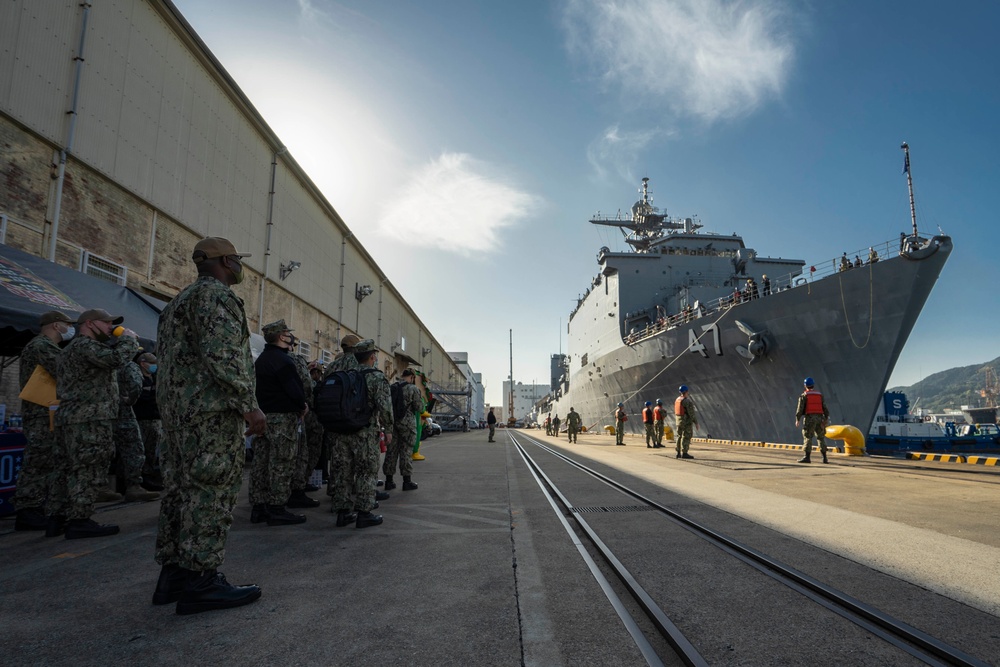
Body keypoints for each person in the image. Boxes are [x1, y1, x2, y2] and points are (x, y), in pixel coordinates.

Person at [152, 236, 266, 615]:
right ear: (226, 262)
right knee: (210, 492)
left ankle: (174, 574)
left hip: (179, 415)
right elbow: (224, 357)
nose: (239, 267)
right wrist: (249, 406)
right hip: (210, 415)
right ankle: (201, 581)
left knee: (180, 491)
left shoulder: (177, 302)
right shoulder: (216, 297)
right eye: (236, 259)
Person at [51, 308, 140, 539]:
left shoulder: (69, 350)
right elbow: (116, 359)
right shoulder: (86, 346)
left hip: (70, 416)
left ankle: (57, 517)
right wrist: (128, 340)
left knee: (65, 469)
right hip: (89, 418)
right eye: (107, 323)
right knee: (87, 468)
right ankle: (80, 519)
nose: (111, 328)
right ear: (90, 324)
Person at [12, 310, 76, 533]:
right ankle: (28, 509)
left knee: (46, 459)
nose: (71, 328)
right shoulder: (41, 345)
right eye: (68, 324)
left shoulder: (44, 346)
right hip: (40, 411)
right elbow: (65, 370)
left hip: (46, 410)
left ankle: (36, 507)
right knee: (38, 460)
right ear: (56, 326)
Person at [249, 319, 310, 526]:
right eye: (287, 333)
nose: (289, 336)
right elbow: (294, 389)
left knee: (261, 463)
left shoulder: (262, 360)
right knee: (281, 463)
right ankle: (277, 508)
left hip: (263, 417)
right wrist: (302, 405)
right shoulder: (284, 361)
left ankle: (259, 507)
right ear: (281, 336)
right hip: (282, 419)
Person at [334, 339, 392, 528]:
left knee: (343, 472)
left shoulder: (344, 375)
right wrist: (388, 429)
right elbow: (385, 407)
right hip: (365, 432)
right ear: (372, 357)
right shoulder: (376, 377)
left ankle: (342, 513)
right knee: (366, 471)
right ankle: (364, 513)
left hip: (342, 431)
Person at [114, 358, 160, 502]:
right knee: (136, 450)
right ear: (142, 363)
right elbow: (136, 389)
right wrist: (130, 401)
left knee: (146, 450)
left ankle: (141, 480)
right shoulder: (131, 369)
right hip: (139, 417)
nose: (154, 366)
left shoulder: (151, 378)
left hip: (148, 416)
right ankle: (136, 483)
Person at [385, 368, 422, 491]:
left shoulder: (392, 387)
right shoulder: (413, 389)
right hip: (407, 425)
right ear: (412, 377)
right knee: (406, 452)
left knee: (391, 452)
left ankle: (389, 481)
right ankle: (407, 482)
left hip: (393, 423)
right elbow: (419, 407)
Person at [133, 352, 163, 491]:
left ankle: (149, 476)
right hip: (142, 420)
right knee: (141, 450)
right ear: (143, 364)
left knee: (152, 451)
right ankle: (141, 478)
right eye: (152, 363)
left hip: (155, 419)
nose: (154, 366)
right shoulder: (137, 378)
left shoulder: (155, 379)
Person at [795, 377, 830, 464]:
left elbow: (800, 409)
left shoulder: (804, 395)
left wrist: (797, 419)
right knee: (821, 437)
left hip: (810, 418)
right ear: (813, 385)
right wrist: (826, 418)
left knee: (808, 436)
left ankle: (807, 457)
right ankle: (825, 458)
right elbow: (825, 407)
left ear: (805, 386)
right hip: (820, 418)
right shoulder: (819, 395)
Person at [674, 385, 698, 459]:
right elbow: (691, 413)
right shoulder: (686, 401)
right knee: (686, 436)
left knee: (679, 436)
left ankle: (678, 452)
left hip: (678, 421)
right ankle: (684, 453)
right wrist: (696, 422)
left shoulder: (678, 400)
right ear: (686, 392)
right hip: (686, 422)